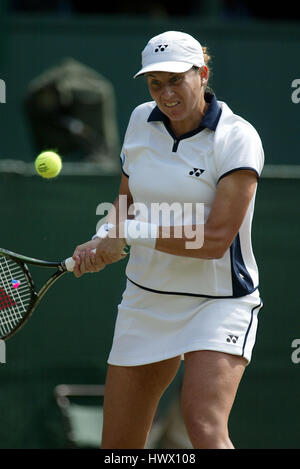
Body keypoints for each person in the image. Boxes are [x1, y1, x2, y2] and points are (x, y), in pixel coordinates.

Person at [72, 31, 264, 449]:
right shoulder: (141, 120)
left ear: (203, 74)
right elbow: (126, 201)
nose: (166, 93)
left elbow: (214, 240)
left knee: (204, 427)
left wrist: (126, 235)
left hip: (217, 303)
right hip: (147, 299)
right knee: (118, 448)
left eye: (176, 79)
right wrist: (103, 235)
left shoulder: (237, 137)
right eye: (156, 83)